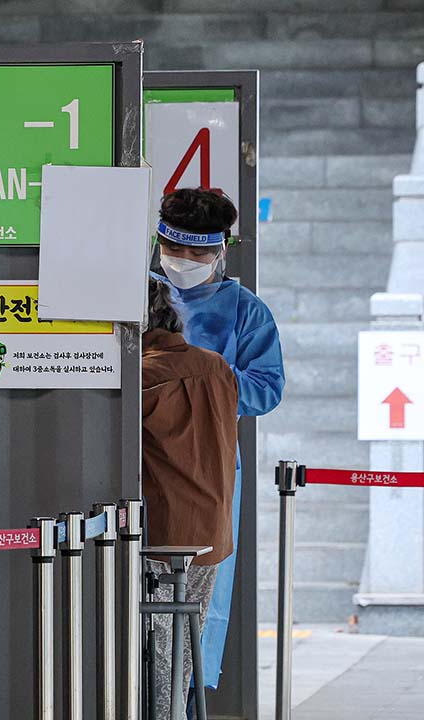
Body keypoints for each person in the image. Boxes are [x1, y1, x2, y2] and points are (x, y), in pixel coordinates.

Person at [153, 188, 286, 692]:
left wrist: (200, 385)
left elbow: (267, 387)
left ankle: (179, 699)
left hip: (205, 469)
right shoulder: (139, 294)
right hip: (139, 463)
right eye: (174, 249)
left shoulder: (245, 312)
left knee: (192, 613)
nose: (183, 262)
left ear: (221, 251)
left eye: (198, 252)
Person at [142, 278, 239, 717]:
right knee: (182, 650)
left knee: (160, 651)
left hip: (163, 533)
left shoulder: (141, 377)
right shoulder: (217, 368)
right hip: (212, 531)